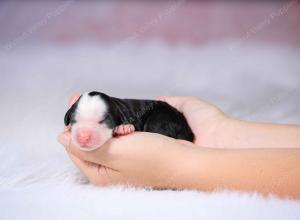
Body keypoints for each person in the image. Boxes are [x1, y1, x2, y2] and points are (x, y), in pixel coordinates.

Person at [58, 95, 300, 199]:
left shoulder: (127, 113)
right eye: (77, 121)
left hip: (167, 123)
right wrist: (223, 132)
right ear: (70, 117)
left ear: (117, 117)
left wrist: (179, 164)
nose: (85, 134)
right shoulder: (113, 110)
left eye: (102, 122)